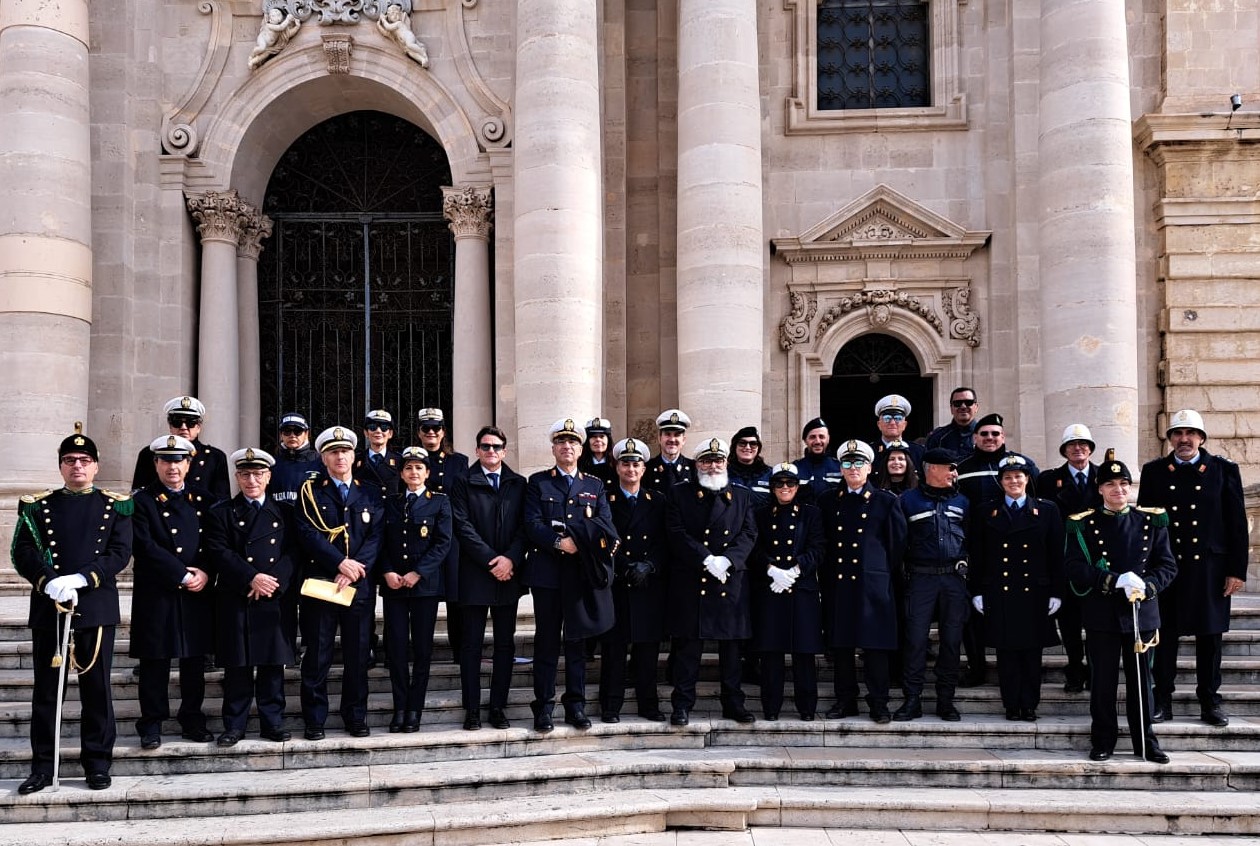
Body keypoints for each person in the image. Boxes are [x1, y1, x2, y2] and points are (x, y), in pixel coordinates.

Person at [12, 426, 133, 793]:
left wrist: (83, 578)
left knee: (97, 691)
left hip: (94, 606)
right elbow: (22, 551)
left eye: (84, 460)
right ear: (61, 466)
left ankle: (97, 764)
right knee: (49, 693)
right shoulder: (37, 506)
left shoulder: (116, 505)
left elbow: (120, 553)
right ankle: (43, 768)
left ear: (96, 466)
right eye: (69, 460)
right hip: (50, 606)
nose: (77, 466)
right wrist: (48, 579)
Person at [1137, 409, 1248, 727]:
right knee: (1165, 636)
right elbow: (1147, 523)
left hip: (1210, 569)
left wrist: (1237, 570)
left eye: (1190, 433)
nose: (1183, 439)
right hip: (1169, 569)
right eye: (1177, 433)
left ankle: (1210, 701)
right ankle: (1162, 700)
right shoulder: (1155, 471)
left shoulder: (1223, 470)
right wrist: (1146, 568)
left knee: (1210, 638)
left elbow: (1237, 523)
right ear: (1169, 438)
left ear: (1201, 438)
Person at [1066, 453, 1176, 763]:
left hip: (1141, 613)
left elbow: (1167, 564)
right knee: (1103, 682)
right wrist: (1113, 580)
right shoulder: (1083, 524)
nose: (1118, 489)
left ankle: (1146, 742)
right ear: (1100, 489)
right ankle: (1103, 740)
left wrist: (1147, 585)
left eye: (1124, 484)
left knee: (1142, 683)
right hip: (1103, 612)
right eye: (1111, 484)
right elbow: (1074, 566)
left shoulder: (1150, 520)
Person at [522, 418, 619, 732]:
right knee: (547, 643)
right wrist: (557, 542)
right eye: (561, 442)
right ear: (553, 448)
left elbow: (605, 526)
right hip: (548, 573)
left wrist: (579, 541)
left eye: (573, 442)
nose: (567, 447)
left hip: (580, 575)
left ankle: (575, 706)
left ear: (581, 449)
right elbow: (532, 524)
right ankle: (544, 708)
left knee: (577, 644)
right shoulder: (538, 482)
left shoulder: (594, 485)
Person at [202, 447, 299, 745]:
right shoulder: (221, 512)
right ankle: (235, 724)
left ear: (269, 477)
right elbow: (218, 550)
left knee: (272, 665)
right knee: (237, 665)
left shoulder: (286, 512)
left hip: (274, 596)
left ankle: (272, 722)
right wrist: (251, 577)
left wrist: (273, 581)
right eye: (245, 474)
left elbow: (294, 551)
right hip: (237, 594)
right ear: (236, 477)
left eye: (258, 474)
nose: (251, 480)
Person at [294, 426, 384, 739]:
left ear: (353, 455)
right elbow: (306, 533)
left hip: (357, 586)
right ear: (323, 457)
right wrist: (338, 563)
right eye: (333, 452)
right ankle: (315, 719)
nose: (340, 456)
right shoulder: (310, 492)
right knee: (317, 655)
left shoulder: (370, 492)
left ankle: (355, 716)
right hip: (322, 583)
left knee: (358, 656)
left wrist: (353, 568)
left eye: (345, 451)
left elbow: (376, 536)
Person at [129, 435, 216, 749]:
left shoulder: (204, 500)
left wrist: (205, 570)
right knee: (156, 661)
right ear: (156, 464)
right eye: (165, 460)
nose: (172, 466)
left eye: (178, 460)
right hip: (159, 591)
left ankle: (192, 718)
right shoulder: (141, 501)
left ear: (189, 463)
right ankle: (151, 723)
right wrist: (180, 574)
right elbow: (144, 545)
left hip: (197, 590)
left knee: (193, 661)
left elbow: (215, 544)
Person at [665, 437, 759, 726]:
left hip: (730, 582)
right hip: (694, 579)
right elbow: (676, 532)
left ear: (726, 463)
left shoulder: (742, 496)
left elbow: (749, 533)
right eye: (706, 461)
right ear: (697, 465)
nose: (713, 466)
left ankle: (733, 703)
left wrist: (728, 560)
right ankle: (682, 704)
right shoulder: (680, 493)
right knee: (687, 650)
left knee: (731, 652)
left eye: (718, 461)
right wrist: (706, 559)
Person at [969, 454, 1065, 722]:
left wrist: (1057, 591)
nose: (1013, 481)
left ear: (1027, 479)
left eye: (1018, 476)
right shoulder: (986, 511)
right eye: (1008, 477)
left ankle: (1029, 704)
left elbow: (1057, 555)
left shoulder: (1046, 510)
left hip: (1035, 592)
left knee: (1032, 653)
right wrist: (976, 590)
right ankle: (1011, 704)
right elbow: (978, 554)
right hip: (1000, 590)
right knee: (1006, 652)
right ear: (1001, 482)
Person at [818, 440, 907, 723]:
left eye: (858, 463)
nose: (852, 468)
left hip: (873, 587)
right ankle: (845, 701)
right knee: (842, 647)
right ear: (840, 468)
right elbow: (825, 543)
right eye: (847, 463)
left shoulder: (886, 501)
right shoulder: (828, 500)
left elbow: (896, 546)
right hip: (840, 584)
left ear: (869, 467)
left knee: (875, 648)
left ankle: (879, 702)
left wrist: (877, 572)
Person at [954, 412, 1040, 686]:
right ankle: (976, 666)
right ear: (975, 438)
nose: (990, 438)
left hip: (1019, 550)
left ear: (1003, 437)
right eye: (984, 434)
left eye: (995, 434)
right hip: (979, 547)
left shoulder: (1024, 465)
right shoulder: (963, 467)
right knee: (974, 614)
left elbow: (1035, 504)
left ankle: (1017, 672)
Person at [450, 425, 527, 730]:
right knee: (471, 645)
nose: (491, 451)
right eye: (485, 446)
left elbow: (525, 526)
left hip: (509, 573)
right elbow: (462, 525)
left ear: (504, 451)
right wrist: (490, 559)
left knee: (505, 645)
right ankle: (472, 709)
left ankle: (498, 706)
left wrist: (510, 558)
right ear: (477, 449)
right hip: (475, 574)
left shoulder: (518, 483)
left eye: (496, 447)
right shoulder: (462, 481)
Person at [894, 448, 970, 722]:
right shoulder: (908, 501)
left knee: (951, 641)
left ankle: (945, 701)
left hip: (953, 580)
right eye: (949, 467)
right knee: (914, 641)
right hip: (920, 579)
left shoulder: (962, 501)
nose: (954, 473)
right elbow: (898, 543)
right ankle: (911, 699)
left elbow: (971, 541)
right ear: (931, 469)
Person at [380, 446, 452, 731]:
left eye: (419, 468)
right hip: (394, 586)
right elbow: (381, 541)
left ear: (427, 473)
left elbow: (443, 543)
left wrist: (418, 573)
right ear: (401, 473)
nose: (413, 472)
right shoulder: (390, 502)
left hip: (424, 587)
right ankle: (399, 708)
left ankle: (415, 710)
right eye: (408, 468)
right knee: (396, 650)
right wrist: (386, 570)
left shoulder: (440, 502)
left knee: (422, 650)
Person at [599, 437, 669, 723]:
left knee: (647, 649)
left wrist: (649, 565)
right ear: (617, 467)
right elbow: (602, 539)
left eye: (636, 463)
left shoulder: (658, 500)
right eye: (625, 463)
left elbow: (666, 541)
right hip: (617, 582)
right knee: (614, 648)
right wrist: (627, 565)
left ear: (644, 468)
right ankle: (611, 705)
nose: (631, 468)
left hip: (648, 584)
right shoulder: (606, 498)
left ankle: (648, 704)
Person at [751, 462, 824, 720]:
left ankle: (807, 709)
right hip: (771, 588)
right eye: (779, 483)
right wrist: (772, 571)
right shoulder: (760, 514)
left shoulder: (811, 513)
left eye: (790, 483)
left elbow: (818, 548)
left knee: (803, 652)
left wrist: (794, 572)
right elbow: (754, 548)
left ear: (797, 486)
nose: (784, 488)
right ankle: (771, 708)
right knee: (771, 652)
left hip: (801, 588)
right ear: (772, 487)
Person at [1039, 423, 1102, 693]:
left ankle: (1097, 668)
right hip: (1064, 558)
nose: (1078, 449)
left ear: (1090, 449)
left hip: (1098, 559)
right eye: (1072, 445)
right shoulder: (1048, 480)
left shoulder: (1104, 476)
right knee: (1069, 622)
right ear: (1064, 450)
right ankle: (1075, 668)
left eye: (1083, 445)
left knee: (1097, 621)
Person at [415, 408, 470, 664]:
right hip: (420, 536)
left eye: (436, 428)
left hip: (452, 537)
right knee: (422, 597)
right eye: (426, 428)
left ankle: (460, 652)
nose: (431, 433)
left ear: (443, 432)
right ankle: (419, 652)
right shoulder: (411, 461)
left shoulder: (458, 461)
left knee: (456, 597)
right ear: (419, 432)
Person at [132, 395, 230, 500]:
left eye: (190, 423)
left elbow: (222, 503)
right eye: (177, 422)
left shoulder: (214, 457)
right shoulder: (150, 454)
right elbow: (139, 496)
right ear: (170, 426)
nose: (183, 427)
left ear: (199, 427)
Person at [269, 411, 321, 505]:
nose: (292, 435)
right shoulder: (272, 463)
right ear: (281, 435)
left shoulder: (319, 461)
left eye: (298, 431)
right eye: (287, 431)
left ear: (306, 434)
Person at [354, 409, 403, 501]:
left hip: (390, 512)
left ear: (390, 434)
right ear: (366, 433)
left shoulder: (400, 461)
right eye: (373, 427)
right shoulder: (356, 461)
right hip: (364, 513)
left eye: (384, 427)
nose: (378, 431)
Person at [871, 394, 925, 473]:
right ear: (879, 424)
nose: (892, 422)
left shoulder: (918, 452)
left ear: (905, 425)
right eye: (887, 418)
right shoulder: (870, 452)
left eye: (898, 418)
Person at [645, 408, 694, 493]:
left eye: (677, 435)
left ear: (683, 440)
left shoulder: (694, 469)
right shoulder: (647, 469)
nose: (672, 439)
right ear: (659, 438)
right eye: (667, 434)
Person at [924, 386, 981, 459]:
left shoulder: (987, 435)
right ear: (951, 408)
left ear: (976, 407)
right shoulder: (937, 437)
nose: (963, 406)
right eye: (958, 403)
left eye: (968, 402)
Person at [795, 418, 842, 502]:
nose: (817, 441)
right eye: (812, 437)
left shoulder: (840, 467)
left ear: (828, 439)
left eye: (821, 437)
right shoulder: (795, 469)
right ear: (805, 440)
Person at [728, 425, 770, 503]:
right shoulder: (724, 473)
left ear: (758, 448)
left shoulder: (769, 474)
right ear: (735, 447)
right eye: (742, 443)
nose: (747, 447)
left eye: (753, 444)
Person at [578, 417, 616, 486]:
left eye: (602, 436)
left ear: (608, 440)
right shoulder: (579, 464)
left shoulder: (616, 464)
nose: (598, 440)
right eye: (594, 437)